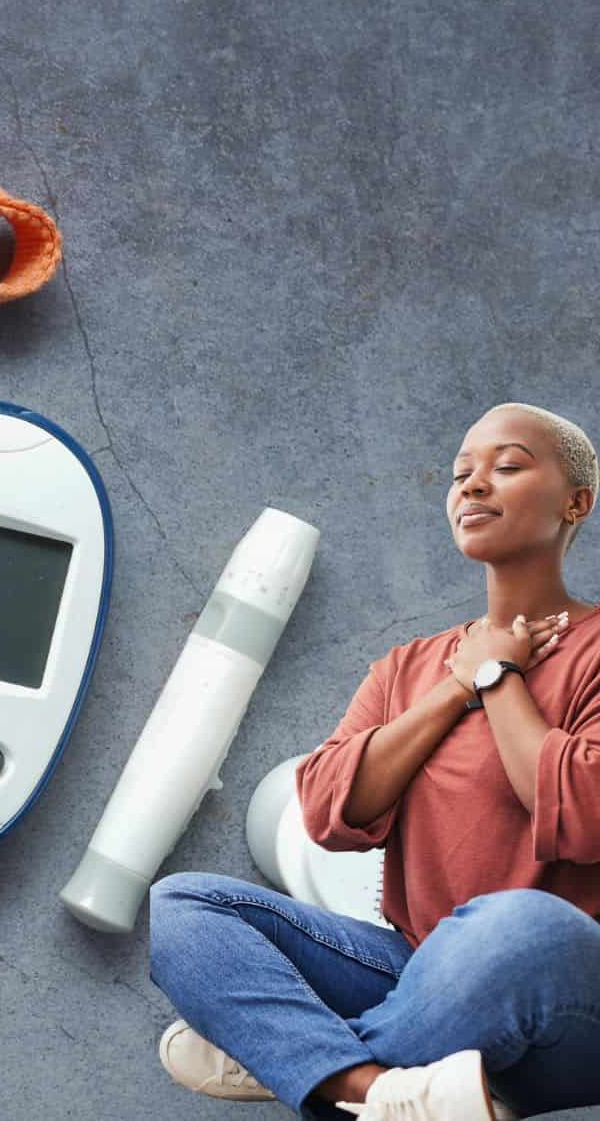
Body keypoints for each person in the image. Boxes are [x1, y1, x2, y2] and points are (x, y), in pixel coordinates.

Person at [146, 403, 600, 1120]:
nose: (473, 485)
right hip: (410, 969)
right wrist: (456, 685)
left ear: (577, 501)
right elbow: (328, 810)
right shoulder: (407, 669)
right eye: (460, 475)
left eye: (507, 466)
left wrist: (499, 678)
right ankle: (385, 1094)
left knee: (520, 926)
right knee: (186, 904)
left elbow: (582, 813)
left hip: (562, 993)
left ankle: (311, 1065)